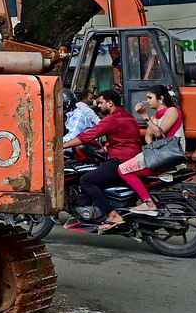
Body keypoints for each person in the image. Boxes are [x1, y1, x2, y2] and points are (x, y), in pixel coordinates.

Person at [62, 89, 142, 232]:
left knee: (86, 180)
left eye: (101, 102)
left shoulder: (112, 119)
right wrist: (106, 147)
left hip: (120, 161)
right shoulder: (128, 117)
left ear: (110, 103)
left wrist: (62, 146)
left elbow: (87, 136)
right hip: (132, 158)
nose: (98, 106)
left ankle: (112, 215)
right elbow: (125, 137)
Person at [117, 84, 185, 215]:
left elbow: (159, 132)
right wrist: (152, 148)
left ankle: (148, 202)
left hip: (169, 156)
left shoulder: (172, 111)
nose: (147, 101)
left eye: (150, 97)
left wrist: (144, 115)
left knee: (123, 170)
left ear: (161, 98)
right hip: (160, 155)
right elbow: (148, 135)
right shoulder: (155, 117)